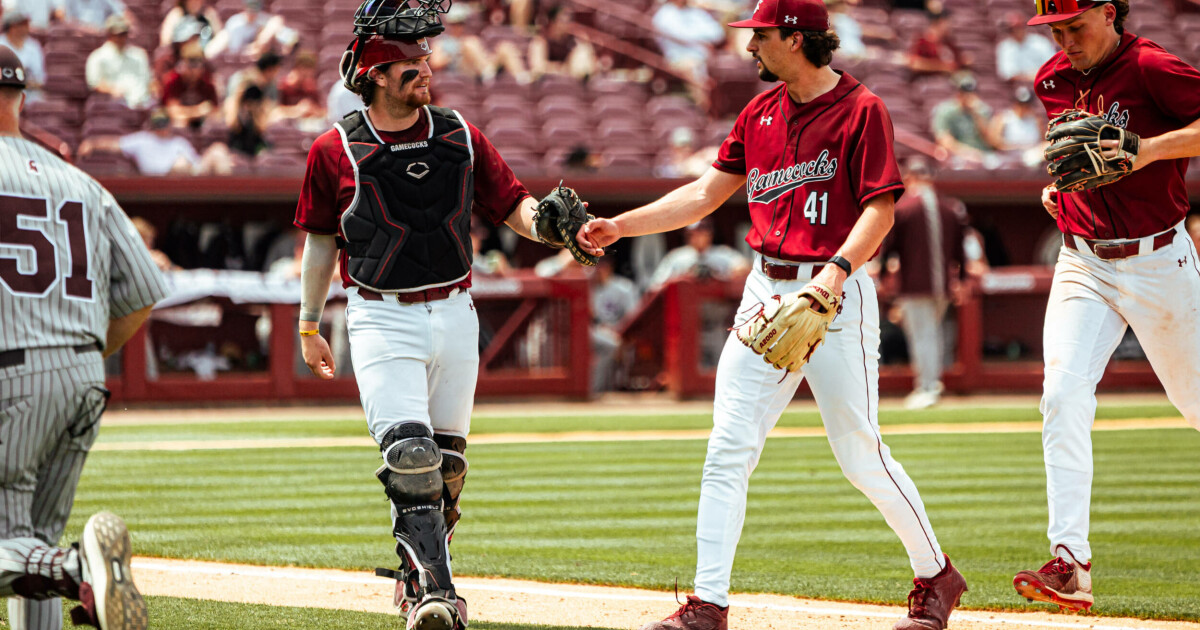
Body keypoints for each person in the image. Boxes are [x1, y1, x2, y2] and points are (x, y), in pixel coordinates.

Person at [579, 1, 968, 629]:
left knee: (858, 453)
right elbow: (705, 195)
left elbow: (880, 211)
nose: (750, 47)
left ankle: (936, 575)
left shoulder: (861, 109)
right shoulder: (758, 111)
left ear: (795, 37)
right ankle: (708, 605)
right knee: (727, 448)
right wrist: (620, 225)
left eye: (759, 36)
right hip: (765, 291)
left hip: (834, 294)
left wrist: (834, 275)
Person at [293, 2, 587, 628]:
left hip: (455, 311)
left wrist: (553, 227)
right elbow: (321, 241)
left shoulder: (459, 133)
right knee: (410, 455)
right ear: (375, 73)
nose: (424, 69)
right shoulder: (334, 147)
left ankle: (414, 569)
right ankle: (437, 595)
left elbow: (514, 206)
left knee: (447, 468)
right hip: (379, 317)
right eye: (408, 62)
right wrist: (309, 323)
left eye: (425, 57)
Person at [1014, 0, 1200, 612]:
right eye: (1055, 29)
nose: (1065, 40)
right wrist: (1058, 186)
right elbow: (1076, 159)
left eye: (1074, 26)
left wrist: (1146, 150)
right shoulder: (1051, 79)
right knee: (1062, 395)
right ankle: (1070, 563)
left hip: (1158, 259)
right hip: (1083, 259)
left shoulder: (1151, 66)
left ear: (1110, 14)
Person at [0, 44, 165, 630]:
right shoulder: (81, 181)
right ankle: (69, 563)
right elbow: (145, 289)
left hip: (10, 373)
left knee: (22, 548)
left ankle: (79, 569)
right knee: (31, 541)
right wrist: (85, 355)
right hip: (83, 374)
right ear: (21, 98)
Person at [879, 158, 967, 409]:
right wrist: (960, 280)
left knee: (923, 336)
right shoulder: (950, 208)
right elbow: (960, 251)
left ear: (910, 177)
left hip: (915, 285)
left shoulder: (904, 208)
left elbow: (889, 247)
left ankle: (927, 387)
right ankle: (933, 382)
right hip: (942, 287)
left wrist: (885, 274)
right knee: (934, 333)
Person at [77, 107, 232, 175]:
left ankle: (228, 197)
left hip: (189, 177)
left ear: (170, 123)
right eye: (159, 124)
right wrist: (92, 143)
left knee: (218, 150)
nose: (162, 128)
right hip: (163, 179)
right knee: (180, 165)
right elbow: (114, 144)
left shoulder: (179, 142)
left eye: (165, 123)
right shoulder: (142, 140)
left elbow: (196, 164)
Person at [930, 72, 999, 167]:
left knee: (998, 164)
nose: (968, 96)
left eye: (972, 92)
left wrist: (977, 114)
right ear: (957, 93)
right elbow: (944, 140)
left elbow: (993, 142)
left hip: (984, 154)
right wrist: (968, 153)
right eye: (964, 92)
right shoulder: (944, 110)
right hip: (958, 154)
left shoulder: (983, 110)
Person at [85, 14, 153, 108]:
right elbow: (94, 83)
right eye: (118, 35)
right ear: (109, 35)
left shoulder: (139, 55)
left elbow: (148, 81)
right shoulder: (97, 57)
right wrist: (112, 90)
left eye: (124, 34)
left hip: (142, 102)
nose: (122, 38)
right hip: (114, 105)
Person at [652, 0, 725, 80]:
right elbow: (682, 35)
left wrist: (697, 38)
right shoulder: (664, 15)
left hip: (705, 57)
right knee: (693, 67)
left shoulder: (695, 12)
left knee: (728, 65)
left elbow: (717, 33)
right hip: (678, 58)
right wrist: (703, 38)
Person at [205, 0, 297, 59]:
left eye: (255, 6)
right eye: (250, 6)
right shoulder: (235, 23)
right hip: (240, 57)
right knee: (223, 36)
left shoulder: (265, 21)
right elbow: (235, 51)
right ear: (244, 7)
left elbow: (292, 37)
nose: (252, 11)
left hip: (261, 60)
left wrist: (262, 41)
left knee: (275, 21)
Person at [161, 40, 218, 129]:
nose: (193, 71)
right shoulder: (173, 80)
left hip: (201, 125)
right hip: (176, 129)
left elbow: (215, 112)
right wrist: (198, 111)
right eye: (190, 65)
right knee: (179, 123)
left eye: (197, 65)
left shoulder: (207, 82)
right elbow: (172, 112)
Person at [994, 11, 1056, 83]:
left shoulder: (1040, 41)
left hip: (1044, 80)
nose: (1016, 31)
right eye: (1012, 29)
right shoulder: (1004, 47)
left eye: (1018, 27)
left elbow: (1052, 65)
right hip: (1019, 87)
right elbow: (1008, 74)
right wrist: (1030, 77)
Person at [906, 9, 967, 79]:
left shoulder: (948, 42)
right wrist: (942, 67)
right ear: (939, 23)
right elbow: (914, 64)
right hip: (928, 81)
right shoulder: (922, 41)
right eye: (948, 23)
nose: (951, 27)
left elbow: (957, 62)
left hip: (950, 82)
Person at [0, 11, 44, 102]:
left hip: (29, 96)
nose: (26, 27)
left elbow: (41, 79)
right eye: (22, 24)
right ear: (12, 27)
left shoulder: (33, 46)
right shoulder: (1, 44)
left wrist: (27, 83)